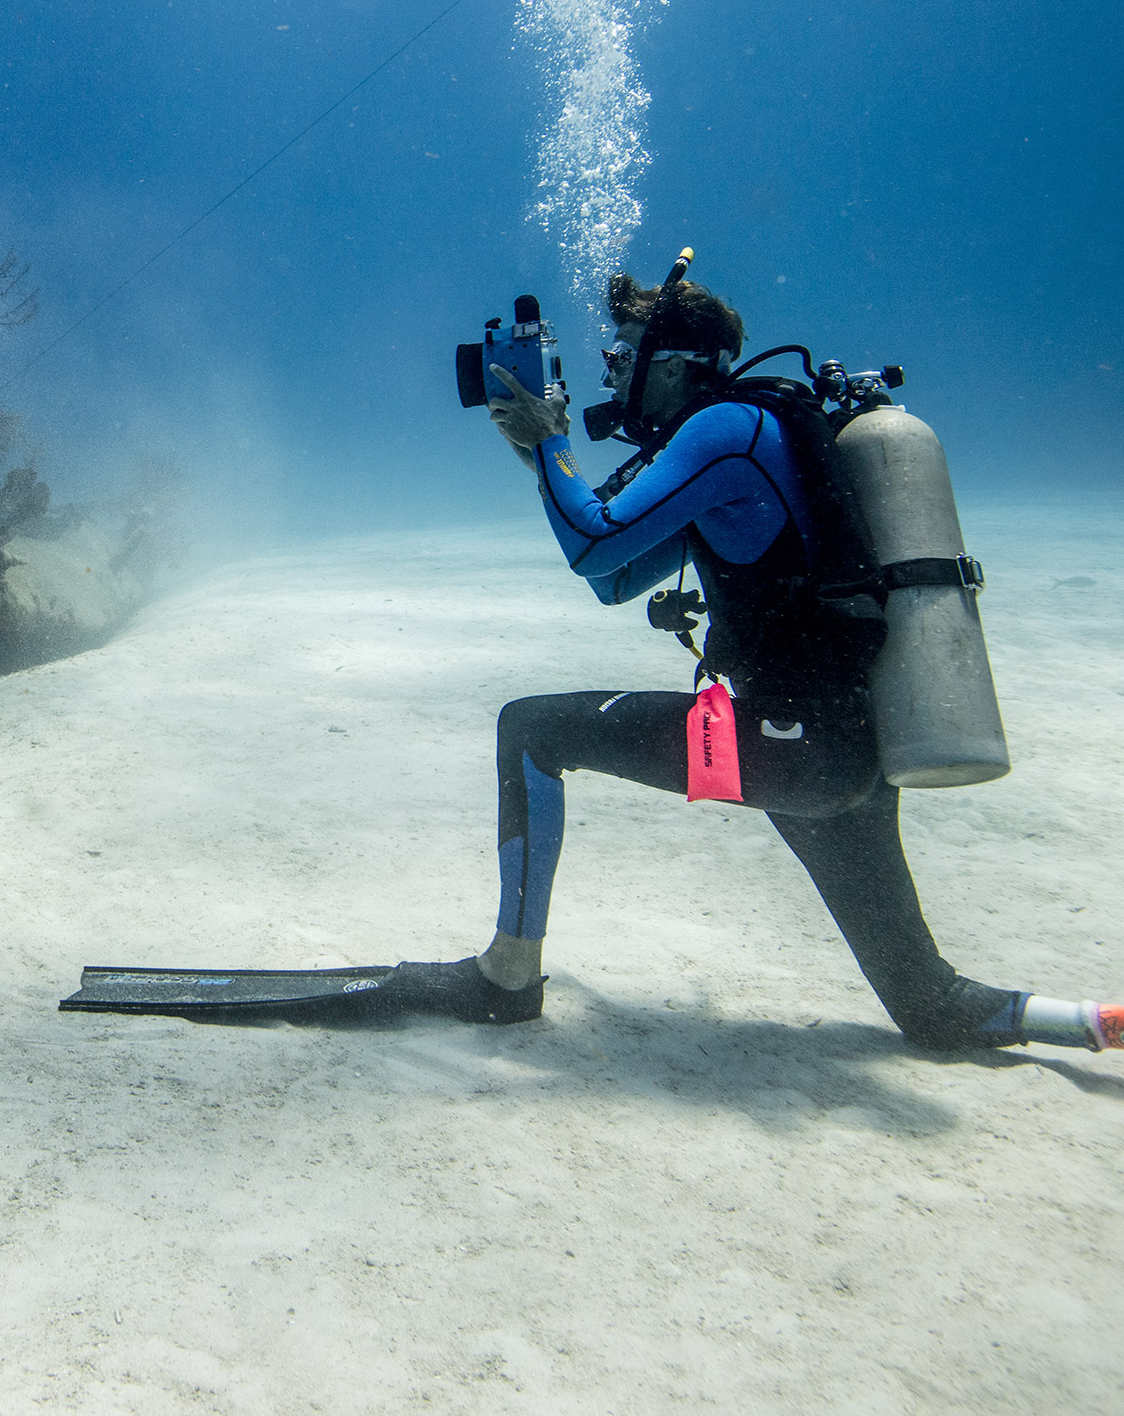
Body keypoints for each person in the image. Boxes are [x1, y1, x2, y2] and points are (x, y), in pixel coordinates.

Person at [370, 260, 1044, 1048]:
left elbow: (592, 548)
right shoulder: (759, 434)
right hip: (842, 751)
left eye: (622, 356)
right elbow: (618, 576)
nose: (611, 372)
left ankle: (506, 977)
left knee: (531, 730)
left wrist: (552, 439)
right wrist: (540, 458)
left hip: (788, 750)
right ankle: (1109, 1025)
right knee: (930, 1003)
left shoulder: (723, 432)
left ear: (676, 366)